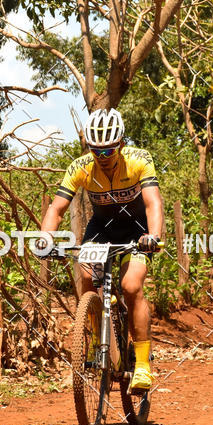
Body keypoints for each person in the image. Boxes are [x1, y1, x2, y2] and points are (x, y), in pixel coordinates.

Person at [39, 108, 164, 389]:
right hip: (102, 229)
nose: (102, 158)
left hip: (137, 230)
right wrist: (46, 238)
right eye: (97, 151)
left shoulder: (139, 160)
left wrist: (153, 236)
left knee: (131, 286)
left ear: (120, 144)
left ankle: (143, 364)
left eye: (108, 151)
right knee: (85, 276)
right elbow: (57, 208)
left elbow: (153, 202)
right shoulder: (80, 167)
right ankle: (98, 341)